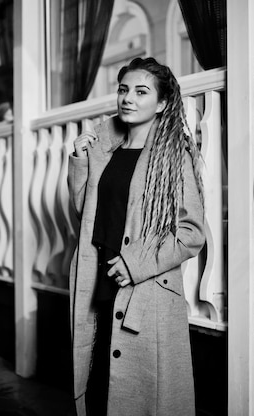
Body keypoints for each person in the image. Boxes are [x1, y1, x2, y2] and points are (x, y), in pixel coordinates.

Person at [67, 57, 205, 416]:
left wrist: (135, 263)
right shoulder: (105, 151)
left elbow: (190, 233)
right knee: (98, 390)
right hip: (98, 283)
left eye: (141, 92)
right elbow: (87, 217)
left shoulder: (174, 156)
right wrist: (81, 161)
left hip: (143, 290)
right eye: (124, 90)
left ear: (161, 104)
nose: (128, 98)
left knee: (139, 397)